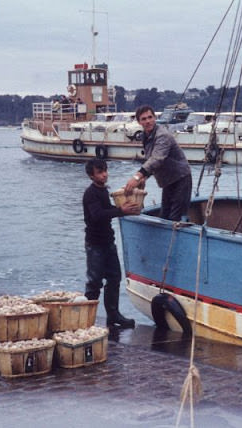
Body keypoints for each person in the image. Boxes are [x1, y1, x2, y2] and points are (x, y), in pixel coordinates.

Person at [83, 158, 139, 329]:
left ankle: (113, 315)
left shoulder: (104, 191)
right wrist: (120, 211)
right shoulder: (91, 193)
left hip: (108, 242)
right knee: (95, 282)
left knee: (114, 278)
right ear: (92, 176)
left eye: (105, 170)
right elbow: (97, 215)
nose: (105, 174)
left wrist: (122, 207)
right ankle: (86, 318)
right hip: (95, 244)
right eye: (100, 172)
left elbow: (107, 212)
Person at [124, 105, 192, 221]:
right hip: (168, 181)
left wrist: (137, 177)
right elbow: (151, 159)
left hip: (181, 178)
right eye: (144, 119)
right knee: (164, 216)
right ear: (139, 122)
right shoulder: (146, 136)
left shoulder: (162, 135)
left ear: (155, 118)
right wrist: (144, 177)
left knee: (174, 217)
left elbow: (157, 158)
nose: (148, 121)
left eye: (150, 117)